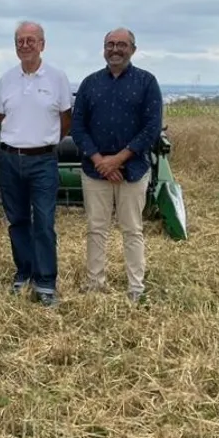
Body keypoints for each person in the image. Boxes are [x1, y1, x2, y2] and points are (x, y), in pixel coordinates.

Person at [70, 27, 163, 304]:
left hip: (132, 170)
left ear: (133, 49)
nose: (115, 49)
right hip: (95, 169)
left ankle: (136, 287)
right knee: (96, 228)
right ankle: (95, 282)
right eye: (110, 44)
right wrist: (100, 161)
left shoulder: (147, 83)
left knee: (132, 228)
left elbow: (152, 128)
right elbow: (78, 126)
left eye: (122, 45)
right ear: (103, 49)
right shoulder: (90, 84)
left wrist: (119, 159)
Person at [0, 21, 72, 305]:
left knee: (44, 222)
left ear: (42, 44)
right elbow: (2, 117)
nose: (25, 45)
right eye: (20, 41)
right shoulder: (7, 79)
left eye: (31, 40)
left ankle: (46, 282)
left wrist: (43, 142)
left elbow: (65, 120)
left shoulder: (57, 78)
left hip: (43, 161)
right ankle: (24, 272)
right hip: (10, 159)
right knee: (17, 221)